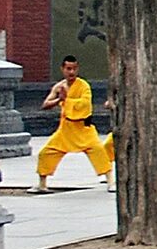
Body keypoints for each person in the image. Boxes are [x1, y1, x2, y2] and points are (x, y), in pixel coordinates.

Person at [32, 55, 115, 194]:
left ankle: (111, 182)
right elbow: (45, 105)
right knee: (46, 153)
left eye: (74, 69)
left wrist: (67, 101)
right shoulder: (59, 87)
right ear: (62, 69)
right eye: (68, 69)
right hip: (66, 129)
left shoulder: (83, 86)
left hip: (83, 128)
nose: (71, 72)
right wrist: (59, 99)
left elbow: (84, 104)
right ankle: (42, 184)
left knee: (99, 152)